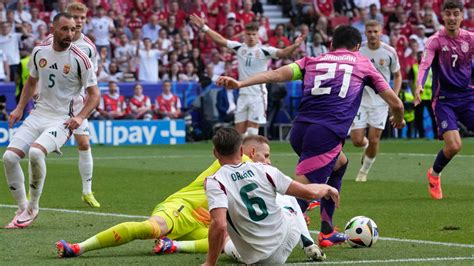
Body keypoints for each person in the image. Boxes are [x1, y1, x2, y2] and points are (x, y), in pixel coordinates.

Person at [216, 25, 405, 248]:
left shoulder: (311, 61)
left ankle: (326, 231)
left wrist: (240, 83)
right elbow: (396, 103)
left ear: (332, 45)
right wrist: (399, 118)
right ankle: (256, 235)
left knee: (340, 164)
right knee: (300, 197)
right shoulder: (362, 63)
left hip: (300, 131)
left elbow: (276, 74)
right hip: (325, 134)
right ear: (357, 47)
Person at [56, 134, 325, 261]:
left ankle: (171, 246)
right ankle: (79, 247)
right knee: (149, 229)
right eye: (265, 155)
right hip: (183, 208)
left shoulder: (248, 166)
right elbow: (280, 191)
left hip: (205, 221)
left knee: (223, 240)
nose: (268, 160)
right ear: (248, 150)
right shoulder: (246, 165)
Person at [3, 13, 99, 229]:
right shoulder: (39, 52)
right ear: (53, 29)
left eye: (73, 29)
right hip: (38, 114)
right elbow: (30, 82)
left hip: (63, 119)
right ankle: (21, 207)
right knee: (9, 158)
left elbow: (95, 95)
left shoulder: (80, 59)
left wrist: (80, 116)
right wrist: (19, 108)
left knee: (36, 153)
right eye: (65, 29)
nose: (70, 34)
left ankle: (33, 208)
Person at [203, 128, 337, 265]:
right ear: (242, 151)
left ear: (215, 153)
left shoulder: (215, 181)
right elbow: (310, 193)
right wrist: (328, 188)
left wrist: (210, 263)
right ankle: (307, 242)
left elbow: (219, 225)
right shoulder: (264, 169)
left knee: (228, 241)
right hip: (288, 237)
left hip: (259, 259)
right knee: (288, 197)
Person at [190, 14, 304, 136]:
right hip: (243, 95)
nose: (251, 37)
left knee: (252, 132)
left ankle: (252, 154)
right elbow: (220, 40)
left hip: (258, 95)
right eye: (248, 34)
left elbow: (283, 53)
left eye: (254, 34)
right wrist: (204, 27)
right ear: (244, 35)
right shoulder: (239, 48)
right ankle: (242, 154)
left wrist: (295, 46)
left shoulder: (264, 51)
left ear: (258, 35)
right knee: (239, 133)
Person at [414, 0, 473, 200]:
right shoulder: (435, 41)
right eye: (448, 14)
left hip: (467, 96)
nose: (452, 18)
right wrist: (419, 85)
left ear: (462, 16)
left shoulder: (470, 39)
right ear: (442, 15)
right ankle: (434, 174)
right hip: (444, 99)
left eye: (456, 13)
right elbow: (425, 64)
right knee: (455, 145)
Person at [350, 20, 402, 182]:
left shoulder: (389, 52)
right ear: (365, 32)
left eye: (375, 31)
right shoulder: (358, 50)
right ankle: (366, 148)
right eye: (369, 31)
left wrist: (393, 96)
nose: (372, 34)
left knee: (374, 139)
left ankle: (364, 172)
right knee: (357, 140)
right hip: (360, 99)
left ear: (381, 32)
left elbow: (398, 75)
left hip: (380, 102)